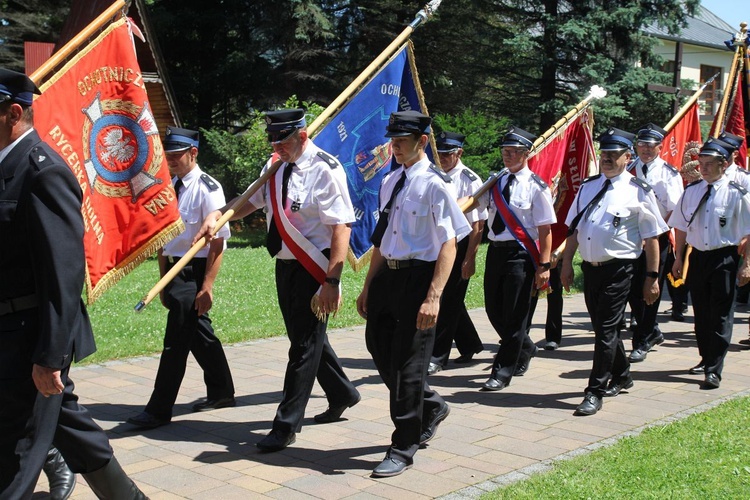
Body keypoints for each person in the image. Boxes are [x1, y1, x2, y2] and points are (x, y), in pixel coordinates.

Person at [0, 68, 146, 498]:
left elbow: (63, 274)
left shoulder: (42, 172)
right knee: (66, 423)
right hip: (8, 334)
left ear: (13, 113)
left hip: (30, 336)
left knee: (16, 454)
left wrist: (50, 357)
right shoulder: (6, 167)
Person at [196, 109, 360, 452]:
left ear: (301, 135)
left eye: (282, 141)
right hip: (284, 266)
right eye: (273, 141)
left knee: (302, 347)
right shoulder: (274, 166)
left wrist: (332, 279)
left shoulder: (325, 170)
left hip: (315, 270)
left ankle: (286, 425)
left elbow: (341, 226)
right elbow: (249, 203)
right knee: (307, 339)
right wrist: (219, 213)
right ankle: (343, 392)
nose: (277, 147)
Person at [356, 111, 471, 477]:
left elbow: (449, 243)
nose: (396, 146)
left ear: (422, 141)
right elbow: (382, 238)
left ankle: (403, 446)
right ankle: (431, 404)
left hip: (419, 279)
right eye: (393, 140)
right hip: (388, 277)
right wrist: (368, 284)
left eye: (402, 140)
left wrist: (434, 296)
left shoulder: (436, 184)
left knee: (407, 365)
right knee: (378, 346)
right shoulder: (390, 181)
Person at [128, 127, 235, 430]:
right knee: (198, 331)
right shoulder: (169, 186)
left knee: (175, 341)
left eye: (177, 155)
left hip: (195, 270)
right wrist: (162, 280)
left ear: (193, 153)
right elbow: (163, 238)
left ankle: (159, 409)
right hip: (174, 271)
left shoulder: (207, 188)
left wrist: (207, 286)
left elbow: (217, 242)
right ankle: (222, 391)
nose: (171, 160)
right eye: (168, 155)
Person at [561, 127, 668, 416]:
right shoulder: (588, 186)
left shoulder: (638, 191)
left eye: (614, 154)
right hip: (590, 270)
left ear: (627, 157)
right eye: (604, 153)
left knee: (607, 330)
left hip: (620, 270)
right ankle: (622, 374)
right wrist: (567, 262)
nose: (606, 158)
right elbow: (574, 229)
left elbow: (653, 237)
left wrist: (652, 278)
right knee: (602, 329)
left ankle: (595, 390)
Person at [477, 126, 556, 390]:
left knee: (514, 314)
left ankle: (502, 371)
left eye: (513, 152)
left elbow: (545, 230)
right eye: (504, 151)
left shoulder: (537, 186)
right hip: (495, 252)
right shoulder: (495, 182)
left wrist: (544, 266)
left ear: (526, 154)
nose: (507, 156)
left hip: (521, 254)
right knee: (492, 308)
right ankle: (526, 345)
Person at [670, 138, 750, 388]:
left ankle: (715, 367)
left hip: (724, 257)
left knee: (721, 314)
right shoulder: (692, 191)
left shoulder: (737, 193)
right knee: (701, 313)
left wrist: (747, 264)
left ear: (724, 164)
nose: (702, 168)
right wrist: (679, 258)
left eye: (709, 164)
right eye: (701, 163)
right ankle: (706, 358)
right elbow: (681, 227)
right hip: (698, 257)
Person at [428, 131, 486, 374]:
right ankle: (470, 343)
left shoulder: (469, 179)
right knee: (451, 299)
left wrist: (469, 258)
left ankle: (438, 356)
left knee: (446, 300)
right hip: (436, 244)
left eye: (447, 154)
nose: (442, 158)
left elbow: (478, 224)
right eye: (439, 153)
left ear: (459, 153)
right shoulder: (433, 174)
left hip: (459, 245)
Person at [626, 123, 683, 363]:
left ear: (660, 147)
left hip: (656, 239)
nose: (646, 150)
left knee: (650, 288)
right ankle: (652, 331)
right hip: (629, 238)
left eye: (651, 146)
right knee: (630, 289)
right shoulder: (628, 169)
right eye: (642, 145)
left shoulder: (669, 173)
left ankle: (642, 340)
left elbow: (675, 209)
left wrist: (655, 230)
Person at [717, 131, 750, 308]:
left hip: (737, 237)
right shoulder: (709, 174)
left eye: (725, 151)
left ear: (735, 154)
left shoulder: (743, 178)